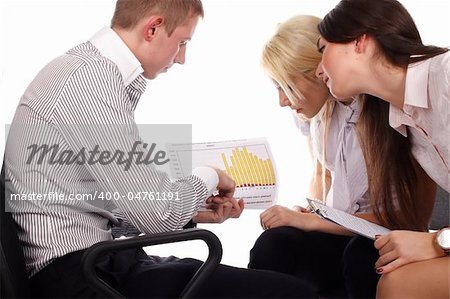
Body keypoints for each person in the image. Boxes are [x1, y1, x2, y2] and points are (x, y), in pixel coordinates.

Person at [3, 1, 316, 298]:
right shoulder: (91, 80)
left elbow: (106, 210)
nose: (182, 58)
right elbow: (157, 215)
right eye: (182, 42)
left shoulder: (86, 72)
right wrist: (207, 176)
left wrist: (195, 213)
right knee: (289, 293)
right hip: (82, 276)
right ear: (153, 28)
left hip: (95, 263)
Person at [248, 14, 436, 298]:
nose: (282, 101)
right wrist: (310, 214)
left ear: (319, 71)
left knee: (359, 256)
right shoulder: (318, 117)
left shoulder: (386, 114)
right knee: (274, 243)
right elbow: (321, 174)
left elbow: (403, 219)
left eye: (285, 86)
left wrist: (315, 221)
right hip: (340, 230)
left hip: (381, 234)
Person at [316, 0, 449, 298]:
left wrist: (436, 243)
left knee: (399, 285)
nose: (319, 70)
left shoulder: (446, 75)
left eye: (323, 49)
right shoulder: (402, 124)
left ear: (360, 40)